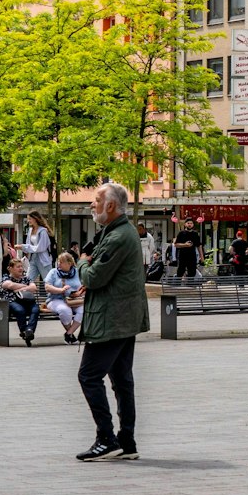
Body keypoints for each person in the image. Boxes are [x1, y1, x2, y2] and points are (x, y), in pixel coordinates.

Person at [74, 183, 150, 462]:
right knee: (121, 380)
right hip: (123, 316)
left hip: (111, 320)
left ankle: (107, 438)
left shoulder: (118, 236)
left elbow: (93, 276)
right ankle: (126, 442)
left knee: (89, 376)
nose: (92, 205)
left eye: (96, 200)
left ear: (111, 206)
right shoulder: (119, 232)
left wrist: (82, 263)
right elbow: (107, 275)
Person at [0, 257, 42, 346]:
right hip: (12, 301)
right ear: (11, 268)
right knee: (20, 310)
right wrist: (25, 286)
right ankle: (25, 331)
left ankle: (29, 330)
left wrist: (19, 288)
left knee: (36, 309)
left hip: (28, 301)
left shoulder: (26, 278)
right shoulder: (6, 277)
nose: (21, 268)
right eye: (18, 267)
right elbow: (8, 285)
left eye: (21, 266)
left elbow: (34, 288)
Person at [45, 251, 84, 344]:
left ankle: (68, 333)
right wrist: (61, 290)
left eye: (61, 262)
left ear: (69, 263)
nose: (59, 264)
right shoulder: (53, 272)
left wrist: (79, 292)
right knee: (65, 310)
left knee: (84, 310)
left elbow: (84, 285)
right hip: (56, 299)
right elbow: (47, 287)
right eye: (58, 261)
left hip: (74, 300)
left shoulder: (78, 272)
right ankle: (70, 335)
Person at [24, 212, 54, 283]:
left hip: (43, 260)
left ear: (35, 219)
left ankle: (51, 294)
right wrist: (24, 248)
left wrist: (23, 247)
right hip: (33, 258)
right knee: (28, 281)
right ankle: (27, 294)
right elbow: (28, 245)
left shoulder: (43, 231)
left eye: (30, 219)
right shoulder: (30, 230)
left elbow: (41, 248)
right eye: (28, 219)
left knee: (48, 282)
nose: (28, 221)